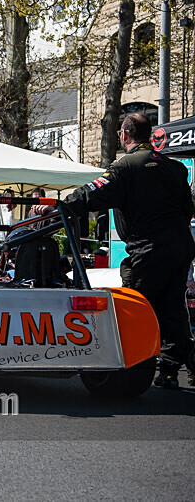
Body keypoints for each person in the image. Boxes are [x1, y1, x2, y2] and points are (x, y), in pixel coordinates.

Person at [65, 113, 195, 388]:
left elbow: (91, 194)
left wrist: (60, 206)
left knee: (135, 304)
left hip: (148, 248)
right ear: (149, 135)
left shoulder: (125, 166)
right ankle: (172, 368)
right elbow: (187, 209)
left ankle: (132, 366)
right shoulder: (174, 168)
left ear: (125, 135)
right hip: (180, 245)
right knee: (172, 305)